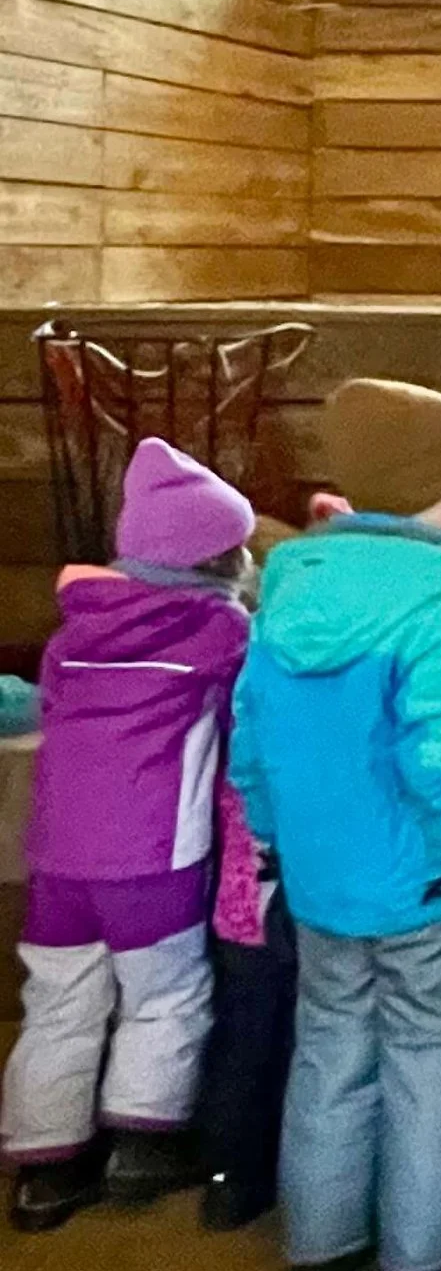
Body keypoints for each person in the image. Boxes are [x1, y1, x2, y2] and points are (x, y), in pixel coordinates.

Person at [229, 382, 441, 1271]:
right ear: (428, 490)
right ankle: (424, 1261)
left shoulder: (289, 591)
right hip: (421, 891)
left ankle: (320, 1248)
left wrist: (271, 849)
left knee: (329, 1054)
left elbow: (251, 740)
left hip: (320, 886)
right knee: (433, 1062)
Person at [4, 439, 254, 1231]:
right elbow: (247, 721)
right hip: (154, 858)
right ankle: (140, 1148)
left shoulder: (70, 636)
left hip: (56, 858)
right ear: (213, 560)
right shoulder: (219, 631)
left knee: (58, 999)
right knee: (165, 996)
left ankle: (45, 1170)